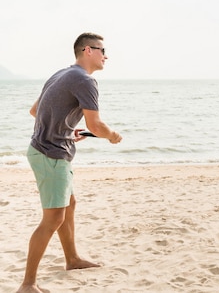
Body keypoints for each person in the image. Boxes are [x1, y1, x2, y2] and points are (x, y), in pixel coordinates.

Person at [17, 32, 123, 293]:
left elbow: (35, 111)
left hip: (45, 150)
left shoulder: (62, 73)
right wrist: (112, 135)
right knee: (52, 219)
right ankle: (28, 284)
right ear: (87, 50)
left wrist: (65, 131)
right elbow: (95, 125)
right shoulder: (85, 81)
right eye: (102, 50)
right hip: (51, 156)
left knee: (69, 204)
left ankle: (72, 259)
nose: (106, 55)